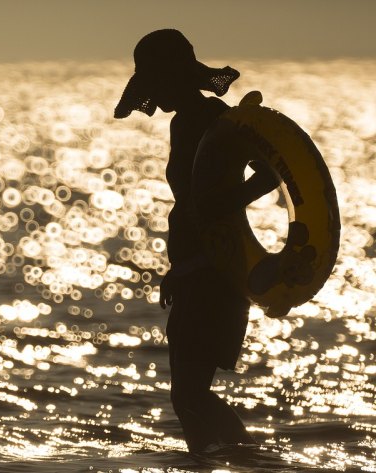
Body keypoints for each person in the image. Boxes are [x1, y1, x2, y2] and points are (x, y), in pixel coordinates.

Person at [114, 29, 280, 453]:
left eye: (156, 81)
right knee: (186, 395)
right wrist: (179, 270)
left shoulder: (213, 119)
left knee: (189, 394)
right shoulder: (184, 121)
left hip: (215, 269)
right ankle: (217, 461)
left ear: (176, 78)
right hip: (195, 269)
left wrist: (220, 210)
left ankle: (254, 459)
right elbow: (194, 202)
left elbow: (264, 175)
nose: (154, 92)